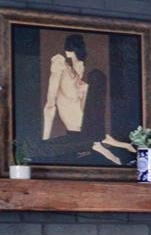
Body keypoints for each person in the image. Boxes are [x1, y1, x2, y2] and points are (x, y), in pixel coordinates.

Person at [42, 34, 131, 164]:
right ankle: (99, 143)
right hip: (79, 125)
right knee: (94, 77)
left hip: (87, 124)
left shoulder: (79, 68)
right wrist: (45, 139)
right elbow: (50, 104)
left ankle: (100, 141)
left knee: (96, 76)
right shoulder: (59, 63)